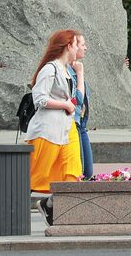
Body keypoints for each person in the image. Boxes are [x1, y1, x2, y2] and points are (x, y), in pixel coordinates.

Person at [26, 30, 83, 222]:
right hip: (47, 131)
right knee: (34, 175)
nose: (79, 48)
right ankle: (7, 210)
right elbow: (39, 98)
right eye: (77, 44)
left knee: (72, 173)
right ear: (68, 46)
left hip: (67, 129)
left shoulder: (67, 70)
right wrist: (65, 105)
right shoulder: (50, 69)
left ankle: (51, 205)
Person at [71, 34, 93, 179]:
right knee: (81, 172)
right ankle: (52, 201)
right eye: (82, 44)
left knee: (87, 172)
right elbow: (78, 99)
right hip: (73, 124)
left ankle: (49, 202)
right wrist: (80, 73)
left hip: (81, 123)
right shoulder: (68, 71)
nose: (85, 47)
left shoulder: (74, 68)